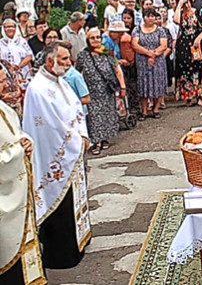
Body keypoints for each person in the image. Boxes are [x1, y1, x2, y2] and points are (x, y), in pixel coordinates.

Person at [23, 41, 91, 270]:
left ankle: (77, 244)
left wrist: (82, 134)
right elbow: (50, 127)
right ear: (50, 61)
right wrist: (76, 140)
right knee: (59, 206)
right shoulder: (37, 89)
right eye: (63, 59)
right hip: (56, 155)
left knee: (71, 202)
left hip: (71, 152)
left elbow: (76, 110)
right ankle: (60, 255)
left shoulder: (59, 81)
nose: (68, 63)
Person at [0, 64, 46, 285]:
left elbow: (16, 135)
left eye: (3, 80)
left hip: (16, 189)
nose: (3, 86)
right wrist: (19, 150)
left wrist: (26, 142)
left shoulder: (4, 108)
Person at [76, 28, 125, 154]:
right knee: (94, 115)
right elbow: (77, 72)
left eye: (98, 37)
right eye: (93, 38)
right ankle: (96, 141)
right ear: (88, 39)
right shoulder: (83, 55)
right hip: (91, 90)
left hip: (107, 89)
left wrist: (122, 86)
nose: (96, 40)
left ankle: (104, 139)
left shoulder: (107, 52)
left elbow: (117, 70)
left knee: (107, 114)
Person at [174, 0, 202, 106]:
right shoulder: (180, 13)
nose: (187, 5)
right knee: (185, 71)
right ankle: (188, 95)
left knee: (199, 69)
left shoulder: (197, 12)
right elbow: (176, 21)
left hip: (197, 45)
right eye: (185, 3)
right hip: (184, 46)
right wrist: (179, 6)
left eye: (188, 2)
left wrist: (199, 38)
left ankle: (200, 95)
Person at [132, 8, 169, 118]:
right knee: (144, 84)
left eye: (152, 16)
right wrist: (148, 53)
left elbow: (164, 45)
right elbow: (135, 44)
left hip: (158, 61)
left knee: (157, 83)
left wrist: (154, 54)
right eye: (148, 16)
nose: (151, 18)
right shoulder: (137, 29)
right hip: (142, 60)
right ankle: (144, 111)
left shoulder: (160, 30)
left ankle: (156, 109)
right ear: (144, 17)